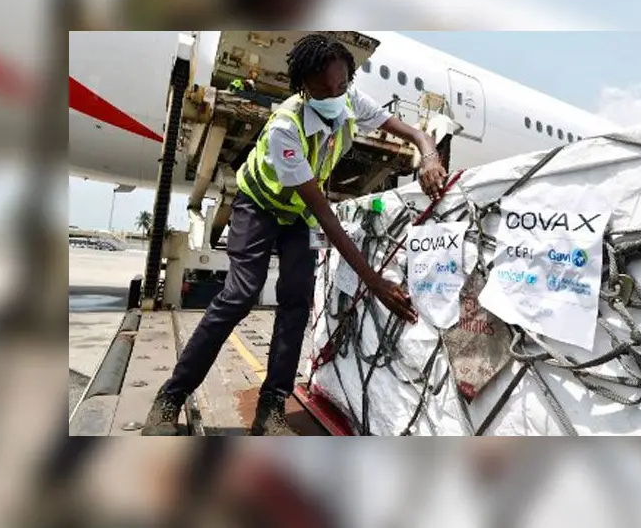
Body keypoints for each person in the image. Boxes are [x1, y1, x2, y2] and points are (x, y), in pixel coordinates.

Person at [143, 33, 448, 436]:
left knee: (296, 302)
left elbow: (414, 133)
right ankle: (171, 397)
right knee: (240, 295)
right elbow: (324, 212)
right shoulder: (285, 128)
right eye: (325, 89)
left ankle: (271, 407)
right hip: (262, 205)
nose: (336, 94)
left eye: (342, 85)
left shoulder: (351, 100)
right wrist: (373, 282)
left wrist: (427, 154)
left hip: (300, 213)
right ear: (304, 88)